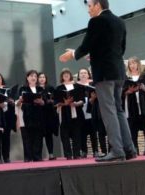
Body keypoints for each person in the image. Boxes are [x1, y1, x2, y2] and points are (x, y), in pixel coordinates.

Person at [59, 0, 136, 162]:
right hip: (118, 72)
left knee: (108, 111)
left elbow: (87, 44)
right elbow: (118, 49)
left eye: (89, 6)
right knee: (118, 110)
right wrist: (89, 54)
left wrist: (73, 55)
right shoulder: (120, 21)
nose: (88, 10)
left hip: (104, 74)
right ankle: (129, 149)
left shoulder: (96, 21)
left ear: (98, 6)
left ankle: (117, 150)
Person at [122, 57, 145, 155]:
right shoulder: (126, 78)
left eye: (134, 63)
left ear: (138, 64)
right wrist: (129, 91)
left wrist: (143, 88)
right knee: (133, 128)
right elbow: (122, 93)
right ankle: (135, 148)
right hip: (131, 106)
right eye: (130, 64)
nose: (132, 65)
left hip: (144, 105)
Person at [54, 69, 84, 160]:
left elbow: (82, 100)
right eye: (64, 74)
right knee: (65, 135)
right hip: (64, 113)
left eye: (67, 74)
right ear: (62, 76)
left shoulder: (77, 86)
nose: (66, 75)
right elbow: (55, 103)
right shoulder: (59, 88)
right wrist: (64, 103)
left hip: (75, 111)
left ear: (70, 75)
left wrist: (75, 103)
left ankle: (77, 153)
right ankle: (68, 154)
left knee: (76, 134)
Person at [16, 70, 45, 162]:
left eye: (35, 76)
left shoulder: (40, 89)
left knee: (38, 137)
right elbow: (17, 103)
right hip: (27, 115)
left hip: (39, 115)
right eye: (31, 76)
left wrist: (41, 102)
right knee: (27, 137)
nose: (33, 78)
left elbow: (45, 102)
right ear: (27, 78)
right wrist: (20, 100)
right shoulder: (22, 89)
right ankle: (28, 157)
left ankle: (37, 157)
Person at [76, 68, 99, 158]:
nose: (83, 75)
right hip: (80, 112)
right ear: (78, 76)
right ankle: (84, 151)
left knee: (93, 133)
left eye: (85, 73)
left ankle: (95, 151)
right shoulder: (76, 86)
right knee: (82, 133)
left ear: (88, 75)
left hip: (92, 111)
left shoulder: (93, 84)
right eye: (81, 73)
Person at [37, 72, 58, 160]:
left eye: (43, 77)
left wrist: (52, 101)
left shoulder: (51, 88)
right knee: (39, 136)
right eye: (40, 77)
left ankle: (51, 154)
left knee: (49, 135)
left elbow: (56, 99)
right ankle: (39, 155)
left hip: (49, 114)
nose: (42, 79)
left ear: (46, 79)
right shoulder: (36, 89)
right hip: (39, 114)